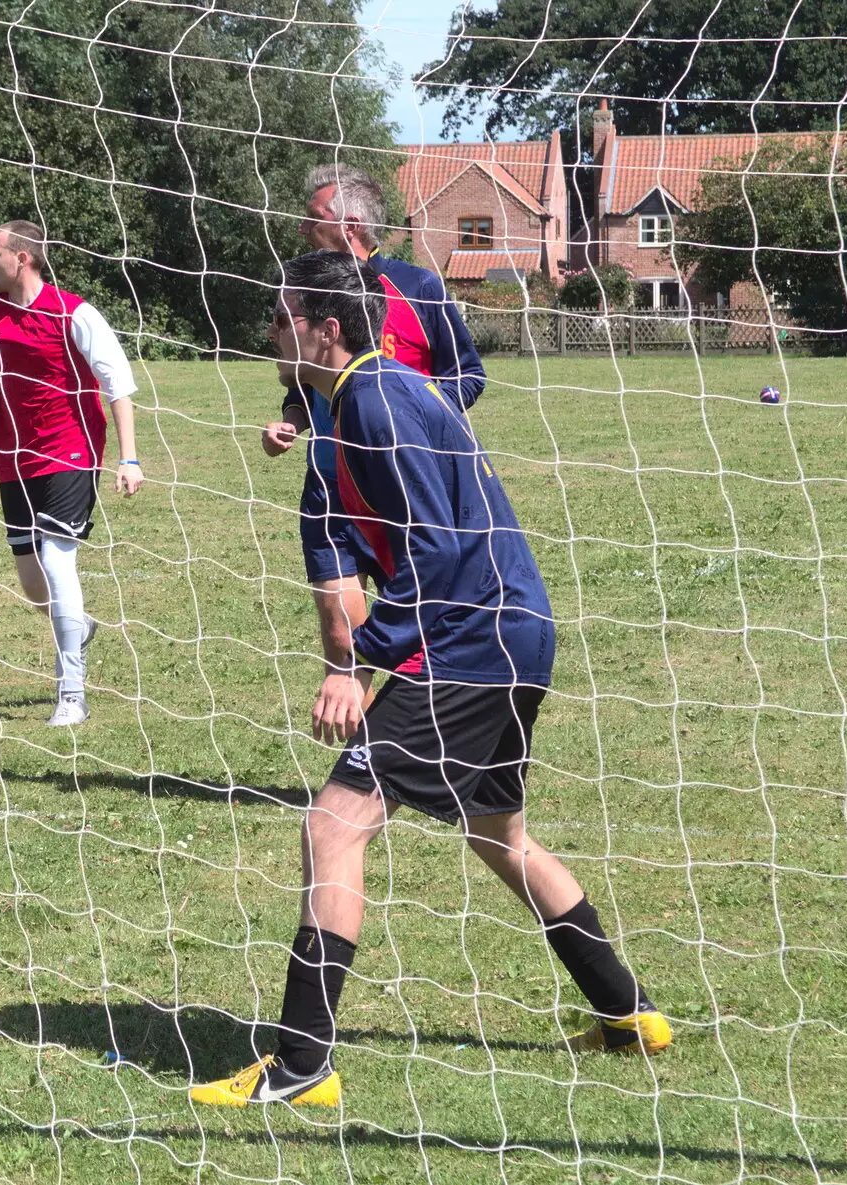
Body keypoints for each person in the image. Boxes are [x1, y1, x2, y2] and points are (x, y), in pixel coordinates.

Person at [191, 251, 669, 1109]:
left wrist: (365, 664)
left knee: (333, 828)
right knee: (500, 836)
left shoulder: (378, 399)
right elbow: (334, 542)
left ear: (323, 328)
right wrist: (341, 650)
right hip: (511, 636)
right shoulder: (347, 406)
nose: (267, 332)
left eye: (278, 316)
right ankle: (628, 1012)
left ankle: (301, 1065)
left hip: (470, 644)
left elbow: (434, 550)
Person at [262, 165, 486, 683]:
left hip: (401, 488)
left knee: (420, 633)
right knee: (341, 638)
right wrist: (293, 420)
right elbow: (305, 378)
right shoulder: (308, 293)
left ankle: (417, 741)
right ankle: (361, 756)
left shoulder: (415, 286)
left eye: (312, 219)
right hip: (328, 484)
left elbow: (468, 375)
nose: (301, 229)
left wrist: (416, 414)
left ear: (352, 224)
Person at [0, 220, 144, 727]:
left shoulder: (73, 312)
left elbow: (117, 384)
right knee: (34, 585)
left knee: (59, 564)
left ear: (23, 258)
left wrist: (129, 457)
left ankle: (71, 694)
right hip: (12, 459)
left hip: (72, 450)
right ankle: (77, 626)